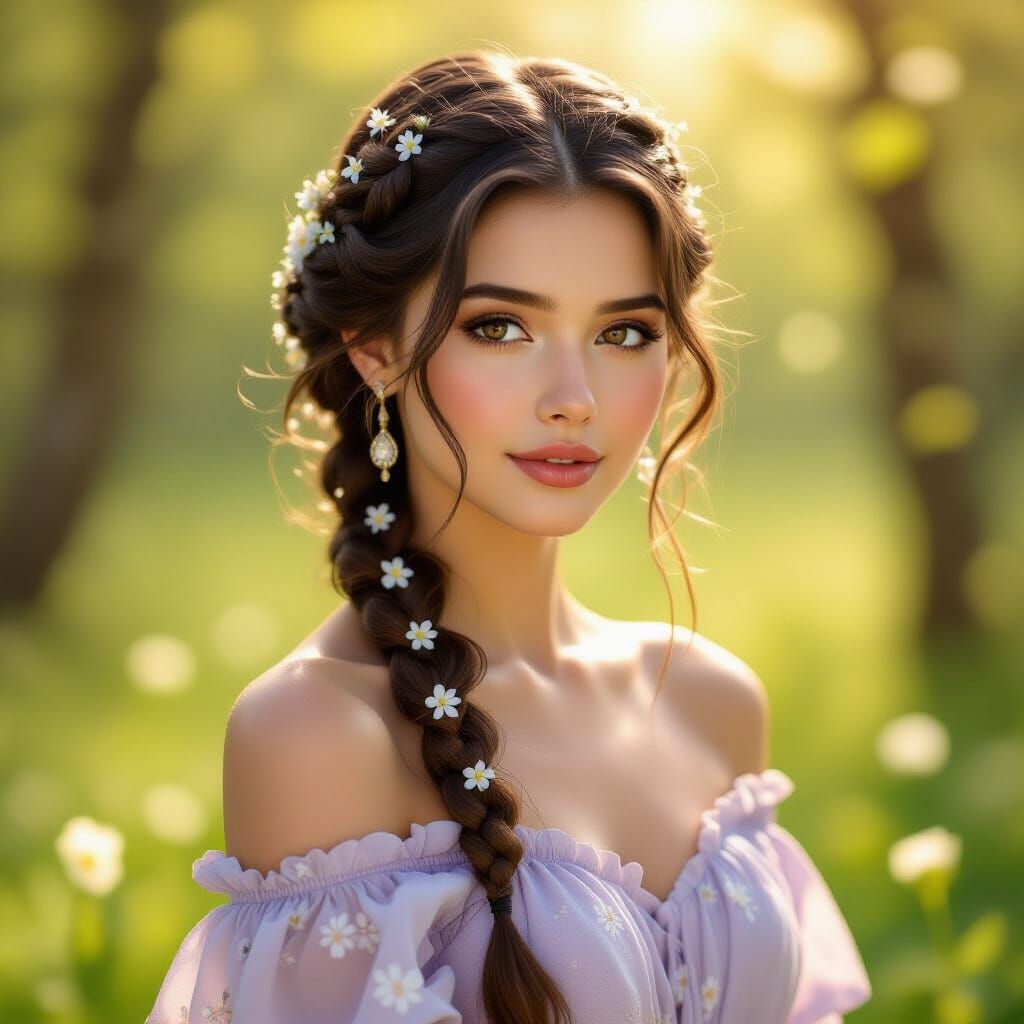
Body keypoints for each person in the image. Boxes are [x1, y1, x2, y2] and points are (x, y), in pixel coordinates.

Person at [147, 48, 872, 1024]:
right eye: (499, 327)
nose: (574, 401)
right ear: (376, 349)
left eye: (624, 334)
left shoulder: (711, 700)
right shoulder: (319, 736)